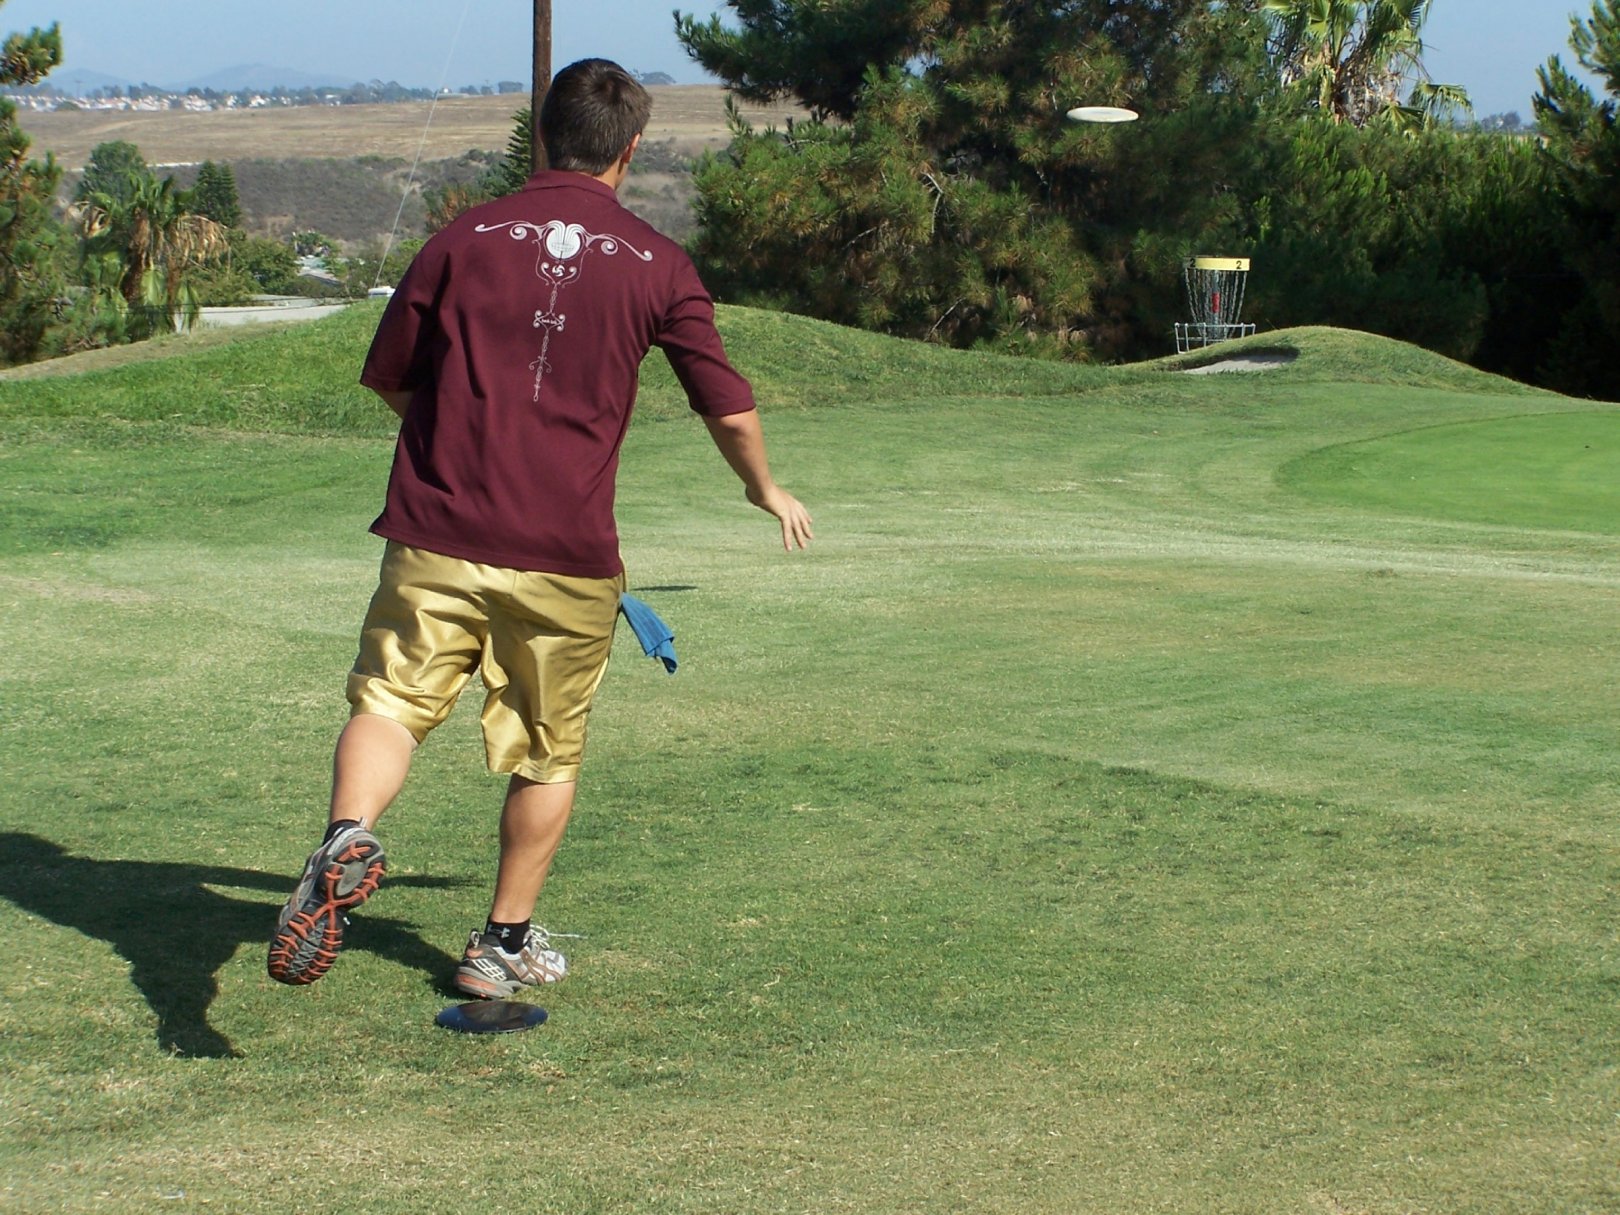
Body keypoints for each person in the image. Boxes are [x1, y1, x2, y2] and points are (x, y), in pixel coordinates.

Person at [268, 58, 812, 998]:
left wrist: (451, 439)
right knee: (547, 750)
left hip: (436, 530)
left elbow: (391, 374)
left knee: (388, 704)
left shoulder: (462, 237)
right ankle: (500, 946)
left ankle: (344, 838)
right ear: (630, 149)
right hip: (566, 557)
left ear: (545, 133)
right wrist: (764, 487)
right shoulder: (659, 263)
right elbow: (724, 404)